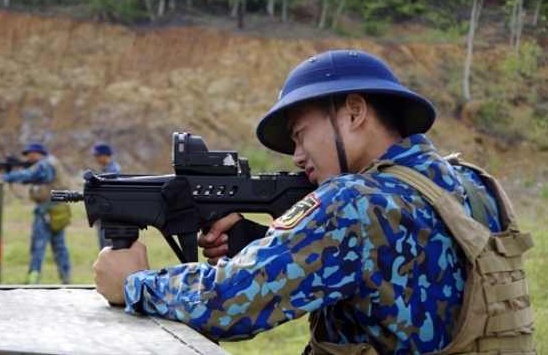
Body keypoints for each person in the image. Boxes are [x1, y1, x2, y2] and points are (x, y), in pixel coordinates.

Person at [93, 50, 535, 354]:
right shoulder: (473, 184)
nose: (298, 155)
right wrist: (269, 241)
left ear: (354, 112)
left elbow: (227, 304)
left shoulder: (352, 203)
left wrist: (134, 282)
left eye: (301, 134)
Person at [0, 142, 72, 285]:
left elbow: (27, 175)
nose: (29, 158)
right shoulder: (52, 162)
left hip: (46, 212)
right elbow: (33, 178)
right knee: (60, 247)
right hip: (58, 211)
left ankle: (33, 279)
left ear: (37, 153)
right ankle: (66, 278)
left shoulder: (43, 165)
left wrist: (5, 177)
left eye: (30, 154)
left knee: (38, 247)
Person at [91, 142, 123, 248]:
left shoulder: (113, 170)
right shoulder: (106, 168)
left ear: (104, 155)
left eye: (97, 156)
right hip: (104, 212)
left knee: (109, 246)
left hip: (110, 213)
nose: (96, 159)